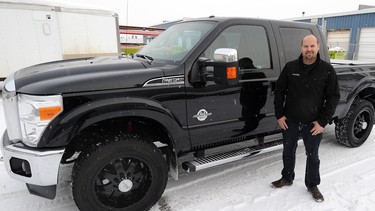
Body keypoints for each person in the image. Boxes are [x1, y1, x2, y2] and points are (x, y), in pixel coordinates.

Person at [271, 34, 340, 202]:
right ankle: (287, 177)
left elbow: (333, 97)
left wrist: (323, 121)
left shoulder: (327, 70)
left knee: (313, 156)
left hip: (313, 122)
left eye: (312, 46)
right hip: (290, 120)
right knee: (288, 151)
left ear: (317, 47)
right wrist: (279, 115)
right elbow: (279, 91)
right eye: (305, 46)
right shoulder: (290, 67)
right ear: (301, 48)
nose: (309, 50)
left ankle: (312, 185)